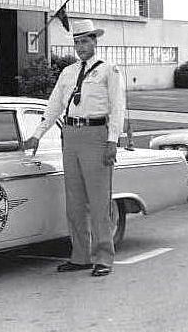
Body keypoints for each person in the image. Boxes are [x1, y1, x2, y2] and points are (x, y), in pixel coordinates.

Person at [24, 19, 125, 277]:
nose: (81, 46)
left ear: (95, 41)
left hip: (96, 135)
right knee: (75, 201)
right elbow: (54, 106)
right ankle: (80, 256)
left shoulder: (108, 71)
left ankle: (103, 257)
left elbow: (117, 108)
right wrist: (37, 134)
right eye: (77, 42)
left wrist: (112, 140)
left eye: (85, 41)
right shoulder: (68, 73)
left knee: (99, 201)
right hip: (70, 135)